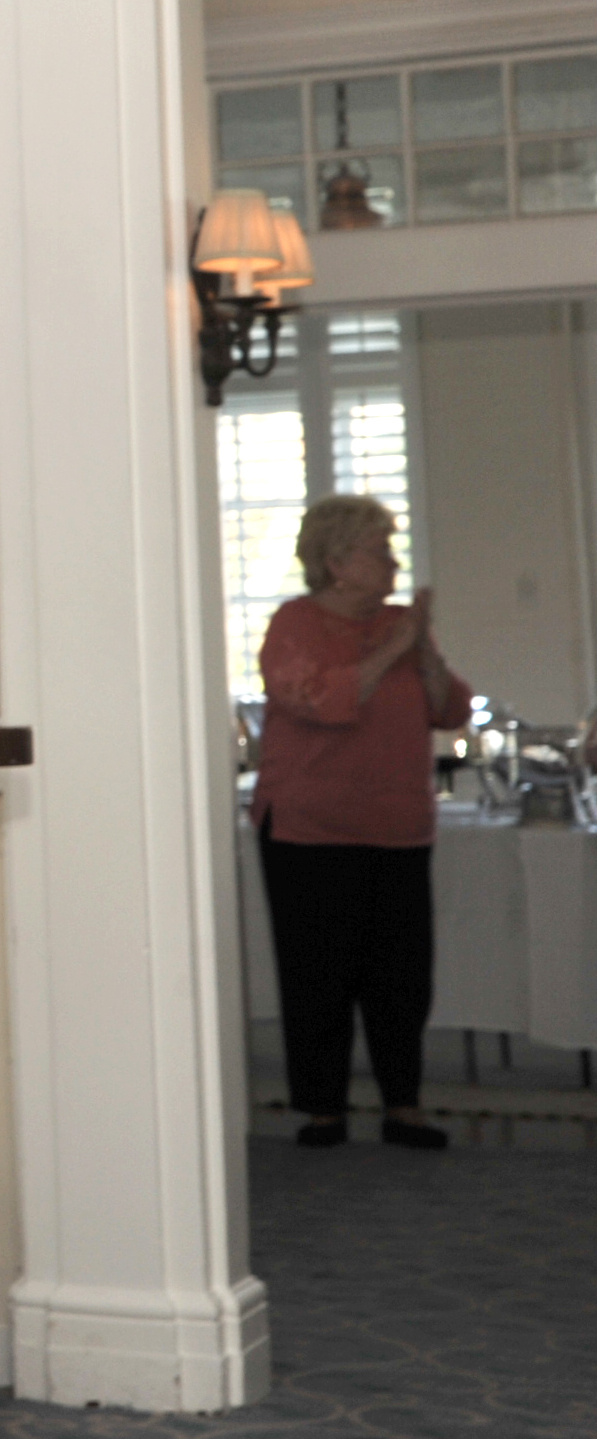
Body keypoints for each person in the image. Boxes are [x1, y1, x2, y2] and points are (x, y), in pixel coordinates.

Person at [254, 493, 466, 1150]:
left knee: (401, 976)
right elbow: (318, 699)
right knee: (318, 973)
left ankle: (404, 1107)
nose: (395, 561)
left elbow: (451, 709)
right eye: (380, 550)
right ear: (338, 561)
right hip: (309, 830)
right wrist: (392, 650)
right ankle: (323, 1111)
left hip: (398, 825)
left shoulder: (403, 623)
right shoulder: (295, 623)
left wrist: (422, 653)